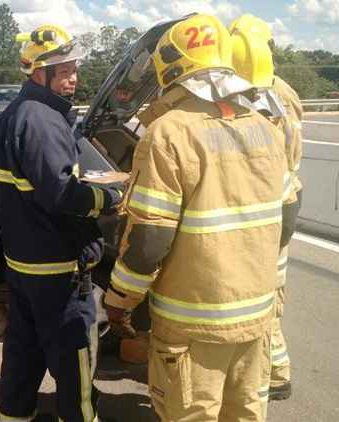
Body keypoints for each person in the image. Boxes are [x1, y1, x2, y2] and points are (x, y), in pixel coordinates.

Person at [103, 14, 299, 422]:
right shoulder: (267, 127)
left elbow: (149, 241)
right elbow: (288, 217)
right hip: (256, 320)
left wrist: (120, 300)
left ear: (169, 70)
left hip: (192, 328)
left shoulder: (168, 133)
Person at [0, 24, 122, 422]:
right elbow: (63, 194)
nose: (73, 78)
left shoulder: (14, 114)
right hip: (58, 270)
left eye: (74, 69)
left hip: (24, 264)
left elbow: (39, 185)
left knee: (23, 357)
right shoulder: (43, 120)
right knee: (74, 362)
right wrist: (110, 198)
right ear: (38, 73)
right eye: (64, 71)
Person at [230, 13, 303, 401]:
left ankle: (268, 376)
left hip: (268, 208)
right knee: (269, 292)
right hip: (285, 201)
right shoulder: (283, 92)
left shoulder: (249, 102)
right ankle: (276, 372)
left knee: (259, 297)